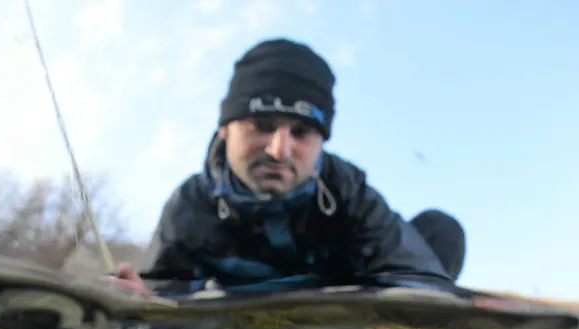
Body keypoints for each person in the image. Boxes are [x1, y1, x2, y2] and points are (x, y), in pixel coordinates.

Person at [115, 38, 466, 297]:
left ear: (322, 141)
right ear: (225, 128)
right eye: (263, 125)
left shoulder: (348, 189)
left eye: (300, 132)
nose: (279, 150)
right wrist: (142, 299)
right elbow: (162, 299)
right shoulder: (190, 206)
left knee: (440, 232)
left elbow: (417, 275)